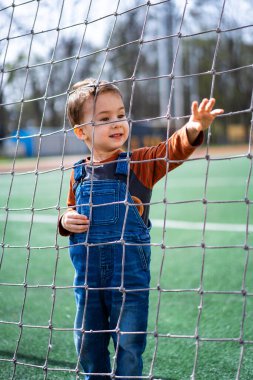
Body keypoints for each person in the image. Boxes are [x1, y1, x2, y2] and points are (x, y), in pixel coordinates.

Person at [58, 78, 224, 379]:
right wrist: (64, 220)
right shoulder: (78, 174)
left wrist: (194, 126)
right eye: (105, 119)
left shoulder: (140, 163)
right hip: (87, 280)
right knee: (88, 341)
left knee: (129, 343)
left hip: (129, 277)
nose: (117, 123)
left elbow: (171, 150)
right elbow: (71, 210)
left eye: (120, 115)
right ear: (81, 132)